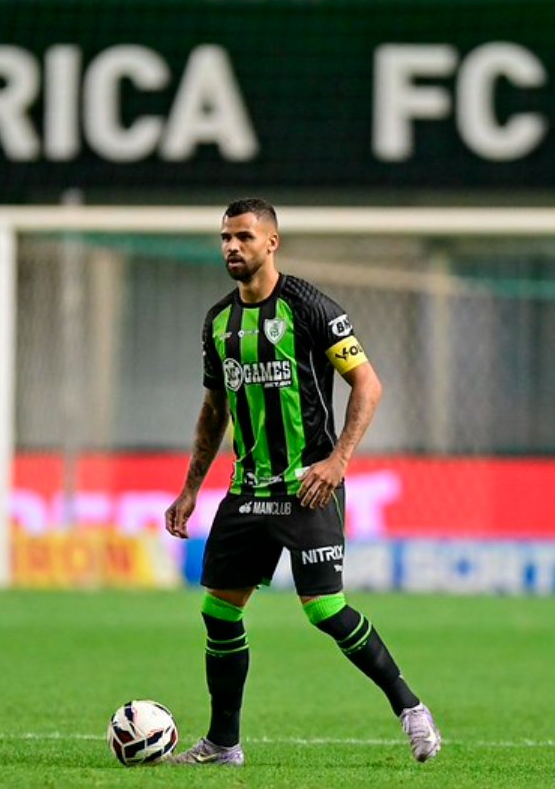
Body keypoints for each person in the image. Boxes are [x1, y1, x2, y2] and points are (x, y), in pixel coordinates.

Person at [164, 199, 441, 767]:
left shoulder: (312, 308)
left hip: (307, 485)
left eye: (244, 236)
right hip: (248, 489)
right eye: (225, 237)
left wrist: (338, 461)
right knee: (219, 612)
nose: (232, 246)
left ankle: (410, 707)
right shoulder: (218, 322)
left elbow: (368, 384)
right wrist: (191, 488)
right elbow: (214, 411)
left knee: (324, 609)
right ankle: (222, 744)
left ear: (272, 243)